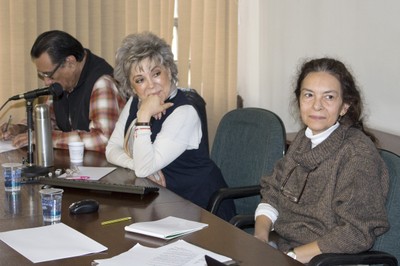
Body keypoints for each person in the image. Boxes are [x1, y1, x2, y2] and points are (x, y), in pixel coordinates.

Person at [254, 58, 390, 264]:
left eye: (329, 97)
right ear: (299, 100)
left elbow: (356, 232)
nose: (316, 105)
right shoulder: (304, 138)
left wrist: (291, 257)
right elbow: (274, 191)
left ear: (344, 106)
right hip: (285, 248)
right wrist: (260, 238)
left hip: (327, 259)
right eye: (309, 95)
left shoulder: (356, 155)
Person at [105, 32, 235, 221]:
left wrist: (143, 117)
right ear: (132, 87)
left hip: (201, 209)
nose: (151, 86)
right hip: (164, 204)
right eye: (140, 80)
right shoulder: (135, 102)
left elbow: (143, 169)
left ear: (169, 70)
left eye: (156, 74)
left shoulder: (185, 112)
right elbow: (111, 149)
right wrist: (135, 164)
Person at [0, 30, 126, 152]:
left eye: (49, 74)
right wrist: (20, 129)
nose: (46, 82)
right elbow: (49, 119)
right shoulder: (64, 81)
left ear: (70, 62)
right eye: (42, 75)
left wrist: (45, 138)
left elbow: (103, 139)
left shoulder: (102, 84)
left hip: (106, 170)